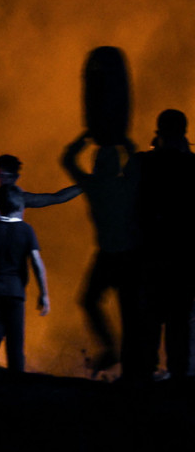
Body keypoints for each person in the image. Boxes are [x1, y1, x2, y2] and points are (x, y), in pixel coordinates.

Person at [62, 133, 140, 375]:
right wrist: (125, 143)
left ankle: (111, 348)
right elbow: (136, 161)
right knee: (129, 313)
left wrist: (86, 137)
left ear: (96, 166)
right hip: (127, 256)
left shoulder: (93, 185)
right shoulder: (127, 183)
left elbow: (67, 160)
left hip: (108, 256)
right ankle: (133, 368)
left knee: (89, 301)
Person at [129, 109, 195, 382]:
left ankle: (145, 377)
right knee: (179, 322)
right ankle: (178, 378)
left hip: (151, 254)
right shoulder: (191, 166)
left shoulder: (144, 163)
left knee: (150, 319)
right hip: (183, 256)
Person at [0, 185, 50, 371]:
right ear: (20, 207)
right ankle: (17, 391)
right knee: (16, 347)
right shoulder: (26, 230)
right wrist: (44, 294)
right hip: (15, 294)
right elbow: (37, 263)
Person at [0, 154, 81, 226]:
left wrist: (88, 184)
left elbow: (58, 197)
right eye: (2, 176)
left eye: (9, 177)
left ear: (16, 178)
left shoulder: (22, 199)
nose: (5, 181)